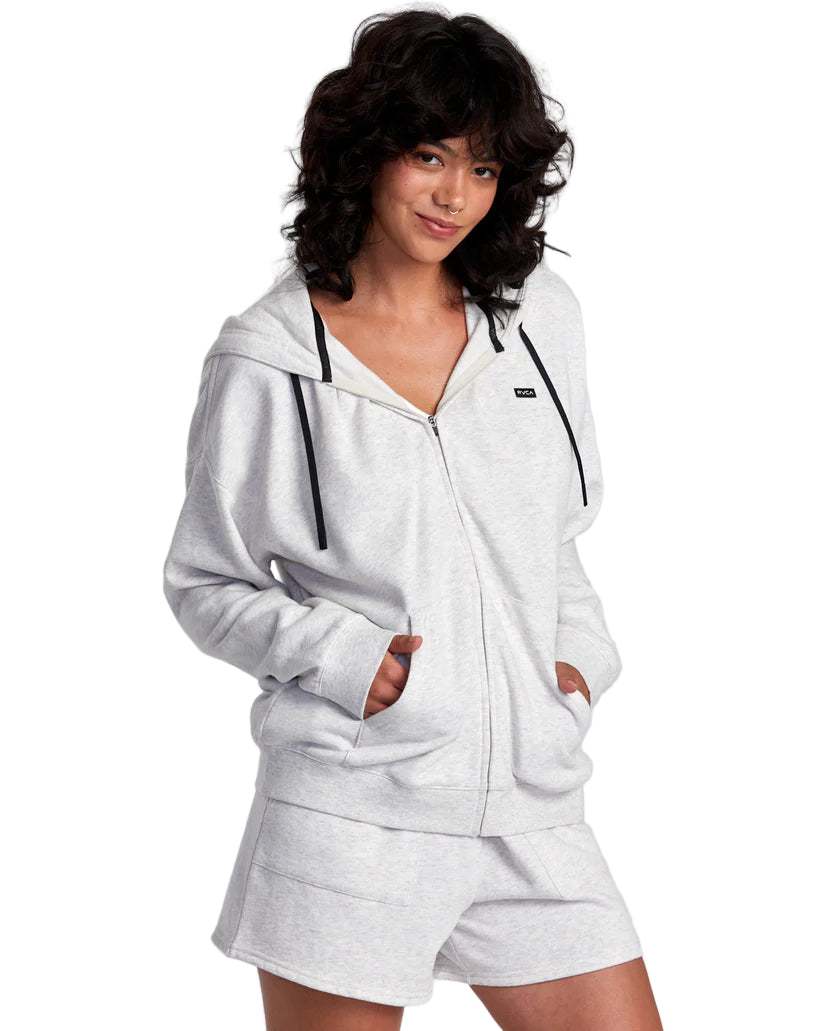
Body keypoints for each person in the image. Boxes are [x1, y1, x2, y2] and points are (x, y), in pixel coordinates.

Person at [162, 7, 664, 1030]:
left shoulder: (536, 323)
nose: (454, 195)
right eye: (429, 156)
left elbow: (553, 536)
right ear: (365, 154)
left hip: (532, 808)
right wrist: (348, 659)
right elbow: (205, 581)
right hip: (352, 816)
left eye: (483, 168)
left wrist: (574, 664)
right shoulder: (270, 359)